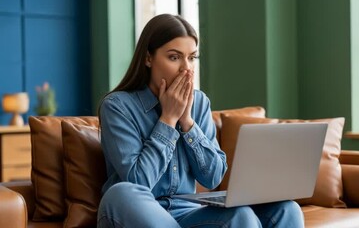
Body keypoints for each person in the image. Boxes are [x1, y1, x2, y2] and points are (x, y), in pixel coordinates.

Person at [97, 13, 304, 228]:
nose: (186, 68)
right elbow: (139, 182)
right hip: (136, 211)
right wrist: (168, 119)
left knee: (281, 209)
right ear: (148, 58)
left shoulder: (199, 103)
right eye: (174, 57)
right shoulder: (117, 106)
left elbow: (212, 178)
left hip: (187, 211)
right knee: (122, 192)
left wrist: (187, 123)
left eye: (192, 57)